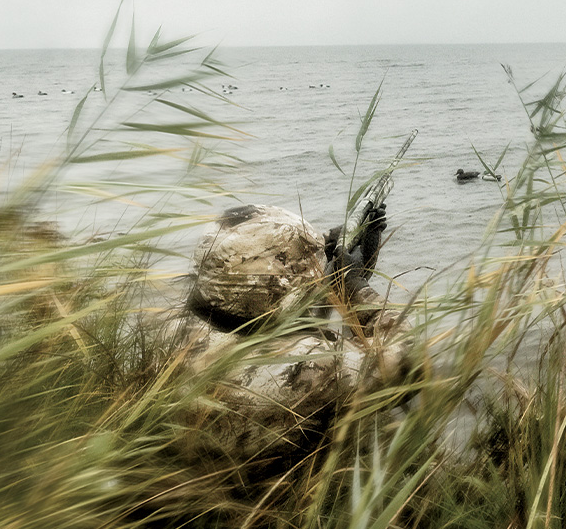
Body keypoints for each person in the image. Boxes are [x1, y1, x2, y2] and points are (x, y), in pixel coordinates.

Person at [162, 201, 411, 485]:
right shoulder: (311, 367)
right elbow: (405, 362)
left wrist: (326, 257)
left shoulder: (175, 333)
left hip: (210, 485)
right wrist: (354, 285)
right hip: (283, 502)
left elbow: (281, 317)